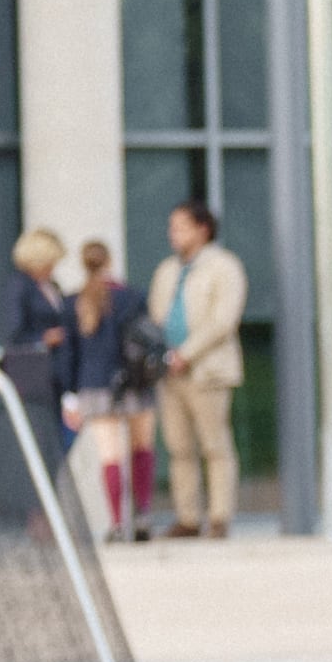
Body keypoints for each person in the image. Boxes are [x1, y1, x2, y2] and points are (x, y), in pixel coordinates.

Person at [155, 199, 250, 538]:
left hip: (206, 371)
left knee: (215, 445)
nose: (173, 234)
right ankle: (188, 517)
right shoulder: (167, 270)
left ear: (202, 229)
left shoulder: (224, 267)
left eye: (180, 227)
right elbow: (158, 318)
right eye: (171, 227)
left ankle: (220, 516)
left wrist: (187, 353)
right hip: (170, 373)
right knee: (179, 448)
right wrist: (163, 356)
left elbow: (223, 320)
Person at [65, 234, 147, 542]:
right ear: (109, 261)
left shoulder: (74, 303)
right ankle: (143, 517)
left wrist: (70, 396)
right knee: (141, 448)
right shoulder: (132, 298)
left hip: (94, 385)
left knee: (110, 456)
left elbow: (69, 354)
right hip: (133, 384)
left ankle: (116, 522)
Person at [0, 228, 73, 467]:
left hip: (55, 374)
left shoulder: (51, 286)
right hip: (33, 375)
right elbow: (14, 332)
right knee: (37, 438)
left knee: (55, 439)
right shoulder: (20, 286)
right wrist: (43, 338)